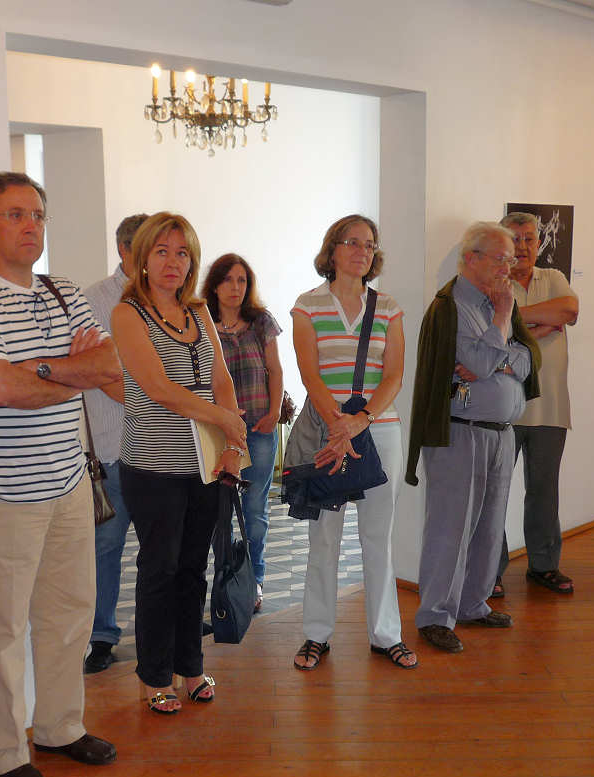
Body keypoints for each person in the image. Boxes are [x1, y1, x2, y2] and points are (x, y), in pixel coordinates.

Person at [0, 172, 121, 777]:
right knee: (1, 632)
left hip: (68, 480)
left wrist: (40, 369)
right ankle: (4, 752)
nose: (32, 226)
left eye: (38, 215)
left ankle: (59, 727)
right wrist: (68, 372)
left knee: (70, 614)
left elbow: (108, 367)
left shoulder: (63, 291)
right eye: (16, 214)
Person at [109, 212, 246, 714]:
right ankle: (154, 676)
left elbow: (221, 380)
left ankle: (191, 666)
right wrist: (224, 419)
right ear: (143, 259)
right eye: (162, 251)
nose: (173, 262)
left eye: (182, 253)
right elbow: (158, 388)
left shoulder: (198, 312)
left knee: (193, 569)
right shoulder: (128, 314)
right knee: (159, 570)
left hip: (203, 463)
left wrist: (231, 444)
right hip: (152, 465)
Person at [290, 214, 417, 671]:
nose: (362, 251)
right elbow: (310, 374)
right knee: (324, 536)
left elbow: (394, 375)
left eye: (369, 244)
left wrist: (361, 420)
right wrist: (338, 425)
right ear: (333, 249)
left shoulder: (388, 308)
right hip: (328, 429)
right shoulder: (307, 306)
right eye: (352, 242)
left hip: (378, 429)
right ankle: (316, 634)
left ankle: (386, 634)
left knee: (378, 536)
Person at [405, 222, 539, 653]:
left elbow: (526, 359)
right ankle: (434, 616)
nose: (508, 267)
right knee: (450, 529)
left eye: (511, 259)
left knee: (489, 524)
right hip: (460, 433)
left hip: (500, 433)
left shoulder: (497, 302)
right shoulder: (450, 308)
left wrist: (499, 355)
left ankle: (473, 604)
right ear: (471, 258)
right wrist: (500, 326)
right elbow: (479, 364)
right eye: (500, 258)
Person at [490, 212, 580, 597]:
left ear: (539, 243)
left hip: (550, 408)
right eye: (515, 239)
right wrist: (541, 325)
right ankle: (489, 571)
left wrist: (514, 322)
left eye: (529, 238)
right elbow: (491, 334)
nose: (523, 246)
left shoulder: (554, 278)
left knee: (544, 491)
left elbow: (569, 311)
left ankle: (544, 566)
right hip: (502, 410)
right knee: (493, 494)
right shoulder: (492, 282)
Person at [81, 213, 148, 674]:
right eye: (148, 247)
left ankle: (159, 628)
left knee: (161, 546)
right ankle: (101, 635)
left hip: (165, 448)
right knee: (106, 546)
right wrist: (157, 401)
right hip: (114, 445)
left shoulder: (171, 299)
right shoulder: (93, 300)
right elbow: (100, 373)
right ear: (123, 250)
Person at [201, 253, 284, 613]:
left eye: (242, 280)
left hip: (259, 428)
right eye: (228, 279)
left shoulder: (261, 321)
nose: (235, 287)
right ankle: (226, 578)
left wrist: (274, 411)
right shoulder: (201, 321)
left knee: (254, 510)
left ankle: (254, 581)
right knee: (218, 510)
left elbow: (275, 370)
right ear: (214, 285)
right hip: (218, 431)